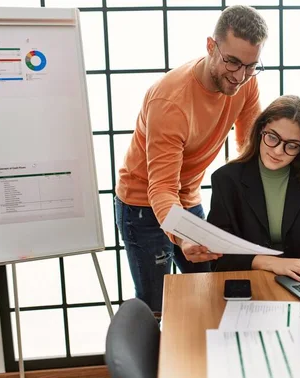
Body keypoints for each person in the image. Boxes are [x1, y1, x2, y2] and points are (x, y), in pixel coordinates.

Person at [115, 5, 269, 312]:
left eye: (251, 66)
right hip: (142, 205)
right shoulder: (170, 102)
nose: (240, 76)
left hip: (187, 195)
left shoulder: (247, 82)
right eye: (232, 62)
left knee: (209, 289)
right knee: (157, 306)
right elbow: (159, 190)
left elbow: (249, 152)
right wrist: (182, 237)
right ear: (211, 46)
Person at [207, 95, 300, 282]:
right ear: (260, 130)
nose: (278, 151)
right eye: (272, 137)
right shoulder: (226, 179)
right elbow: (219, 258)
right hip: (244, 284)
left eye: (292, 145)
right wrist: (269, 263)